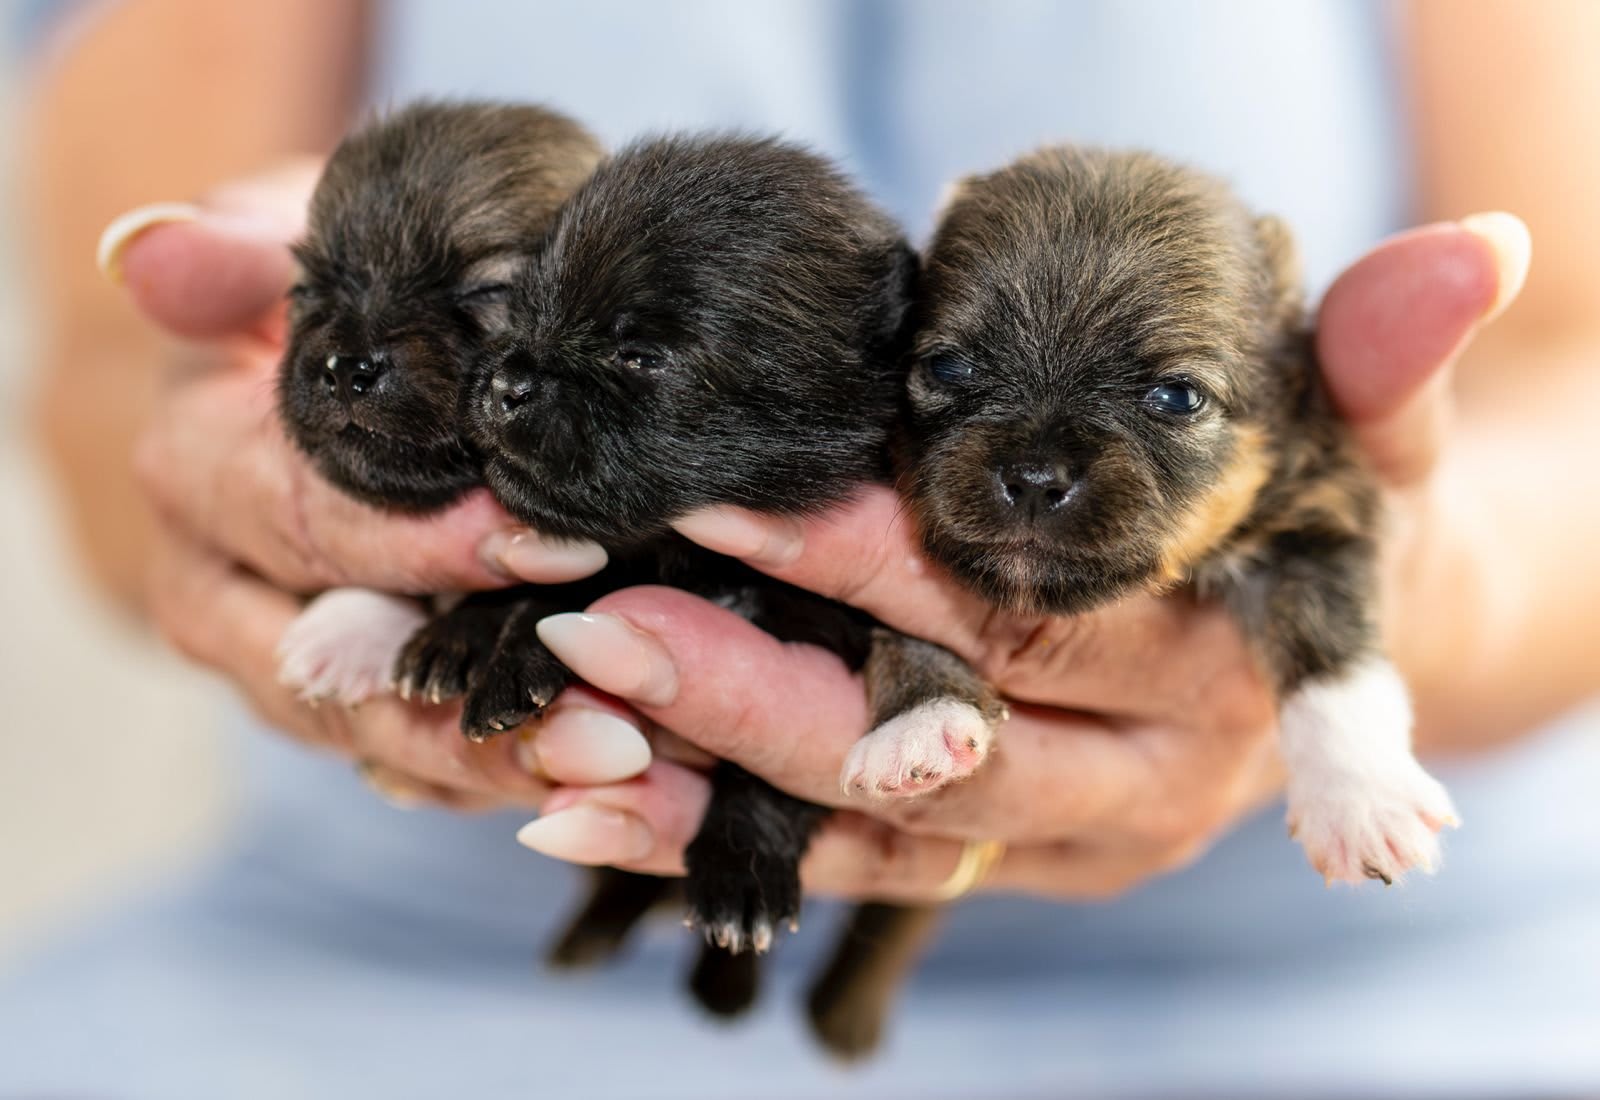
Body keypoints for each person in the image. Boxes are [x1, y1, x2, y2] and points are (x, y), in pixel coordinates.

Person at [7, 1, 1599, 1096]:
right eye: (954, 382)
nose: (1032, 471)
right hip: (375, 948)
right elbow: (97, 396)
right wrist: (268, 462)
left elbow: (1570, 384)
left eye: (1175, 394)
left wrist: (1411, 618)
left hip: (1359, 987)